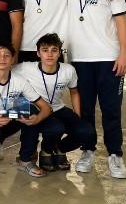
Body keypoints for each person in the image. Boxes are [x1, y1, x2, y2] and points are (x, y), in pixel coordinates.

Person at [67, 0, 126, 179]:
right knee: (85, 111)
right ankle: (88, 151)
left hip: (108, 58)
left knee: (111, 110)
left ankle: (115, 154)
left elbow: (121, 19)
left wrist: (124, 52)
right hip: (80, 59)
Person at [13, 33, 96, 172]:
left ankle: (58, 149)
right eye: (45, 50)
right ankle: (44, 151)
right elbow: (4, 72)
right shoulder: (25, 68)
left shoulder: (68, 70)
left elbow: (74, 92)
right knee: (56, 128)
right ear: (38, 53)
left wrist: (77, 116)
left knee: (86, 131)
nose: (50, 54)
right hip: (37, 109)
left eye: (54, 50)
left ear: (59, 53)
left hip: (58, 108)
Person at [0, 43, 54, 177]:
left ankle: (25, 160)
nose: (3, 58)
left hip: (8, 120)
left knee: (31, 112)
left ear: (12, 59)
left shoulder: (19, 81)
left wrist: (37, 119)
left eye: (7, 55)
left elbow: (46, 107)